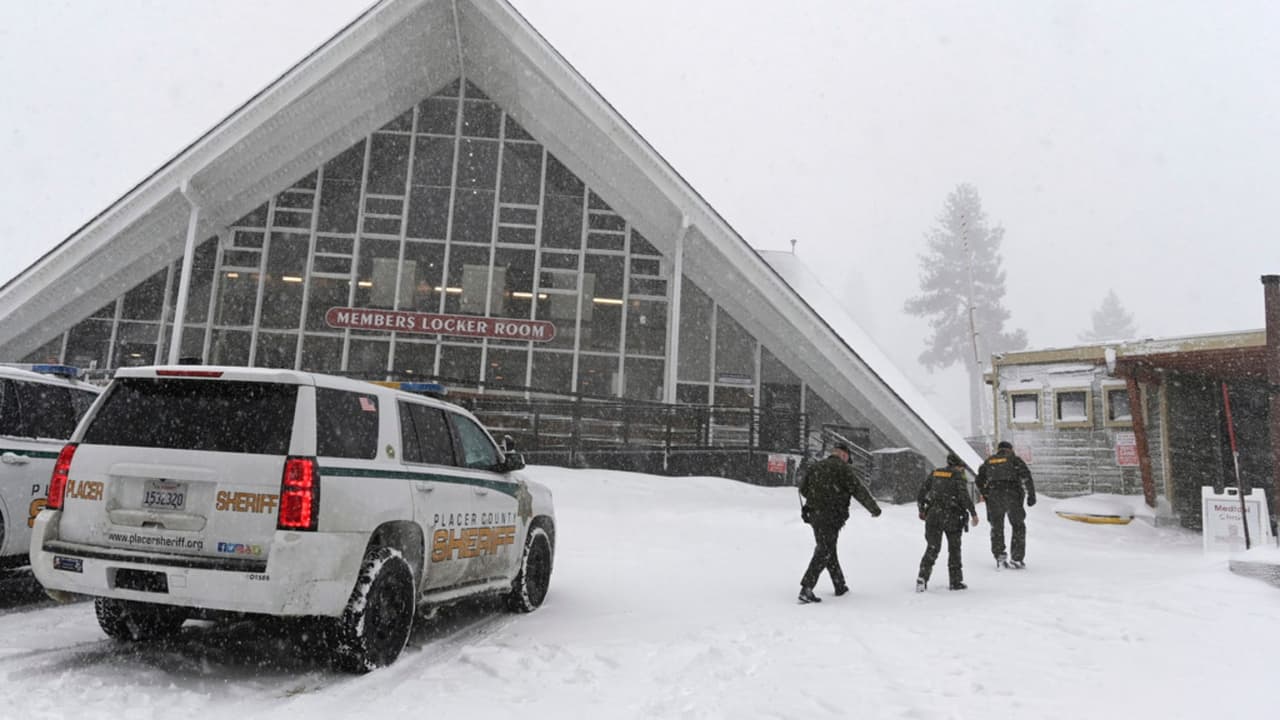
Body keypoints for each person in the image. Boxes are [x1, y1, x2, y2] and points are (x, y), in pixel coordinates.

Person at [797, 442, 882, 603]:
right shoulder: (843, 469)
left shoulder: (816, 467)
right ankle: (806, 588)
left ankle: (839, 585)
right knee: (825, 550)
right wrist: (874, 508)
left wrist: (816, 499)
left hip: (815, 515)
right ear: (843, 455)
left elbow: (803, 489)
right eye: (847, 457)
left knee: (828, 549)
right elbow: (858, 490)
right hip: (832, 516)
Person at [915, 453, 979, 591]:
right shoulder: (957, 476)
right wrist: (973, 513)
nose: (962, 470)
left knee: (932, 547)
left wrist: (921, 509)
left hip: (933, 515)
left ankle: (922, 578)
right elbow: (964, 497)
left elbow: (921, 492)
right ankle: (955, 581)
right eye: (962, 467)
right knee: (954, 549)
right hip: (952, 517)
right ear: (957, 466)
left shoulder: (935, 473)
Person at [975, 440, 1037, 569]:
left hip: (994, 497)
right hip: (1012, 495)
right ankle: (1017, 558)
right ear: (1010, 449)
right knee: (1018, 526)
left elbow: (979, 479)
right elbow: (1026, 476)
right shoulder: (1014, 460)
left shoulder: (989, 461)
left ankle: (999, 556)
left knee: (997, 527)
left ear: (998, 449)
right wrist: (1031, 495)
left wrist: (986, 493)